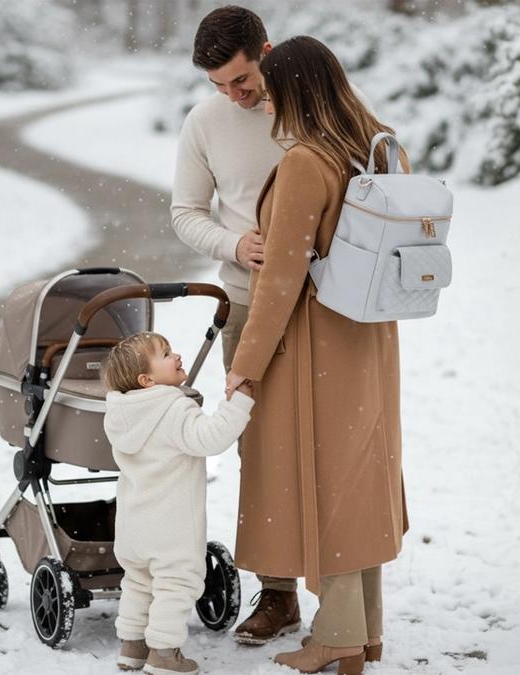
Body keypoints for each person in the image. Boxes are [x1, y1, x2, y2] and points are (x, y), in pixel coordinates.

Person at [222, 36, 408, 675]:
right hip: (369, 338)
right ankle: (365, 632)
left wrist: (246, 365)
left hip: (313, 344)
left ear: (296, 92)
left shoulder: (307, 161)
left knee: (324, 484)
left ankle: (337, 637)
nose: (267, 107)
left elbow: (280, 279)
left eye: (272, 94)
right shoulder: (377, 145)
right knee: (359, 479)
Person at [171, 4, 307, 646]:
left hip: (327, 305)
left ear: (267, 52)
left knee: (331, 442)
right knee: (261, 447)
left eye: (242, 80)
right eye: (219, 85)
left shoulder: (316, 101)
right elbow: (186, 212)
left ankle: (346, 593)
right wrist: (234, 244)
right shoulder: (205, 121)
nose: (233, 95)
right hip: (250, 305)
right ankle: (278, 594)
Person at [101, 332, 254, 675]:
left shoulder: (121, 414)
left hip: (132, 523)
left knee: (139, 581)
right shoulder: (171, 407)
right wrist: (239, 402)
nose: (177, 356)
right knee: (177, 583)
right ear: (147, 379)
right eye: (166, 354)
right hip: (170, 525)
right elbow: (210, 438)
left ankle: (132, 647)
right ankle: (164, 653)